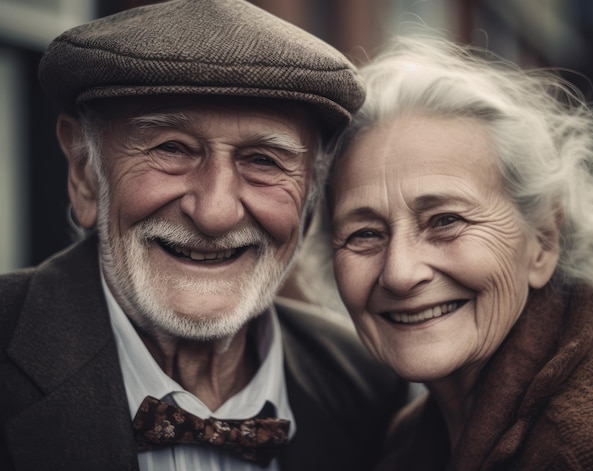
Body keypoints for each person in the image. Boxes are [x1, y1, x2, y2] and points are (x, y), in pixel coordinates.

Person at [0, 1, 409, 470]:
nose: (214, 214)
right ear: (85, 173)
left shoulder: (366, 384)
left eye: (263, 161)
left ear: (312, 197)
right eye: (171, 148)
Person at [325, 36, 593, 470]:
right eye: (365, 234)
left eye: (446, 221)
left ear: (542, 242)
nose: (400, 273)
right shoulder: (408, 439)